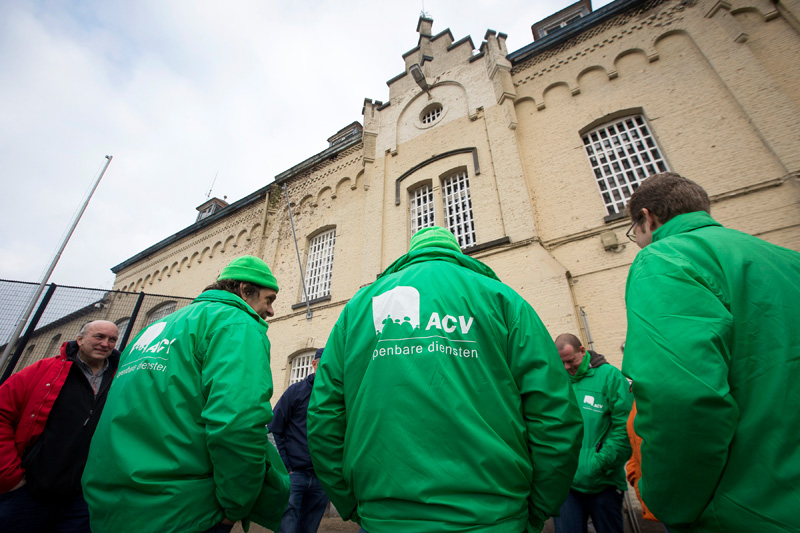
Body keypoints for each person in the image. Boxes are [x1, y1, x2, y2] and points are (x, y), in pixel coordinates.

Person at [307, 226, 583, 533]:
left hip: (384, 516)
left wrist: (352, 503)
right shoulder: (504, 301)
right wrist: (536, 508)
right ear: (456, 252)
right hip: (493, 516)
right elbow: (555, 413)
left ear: (411, 254)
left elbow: (323, 418)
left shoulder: (356, 310)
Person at [623, 172, 800, 532]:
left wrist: (664, 501)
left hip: (742, 509)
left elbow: (682, 397)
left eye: (634, 231)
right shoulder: (789, 260)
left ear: (648, 218)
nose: (637, 241)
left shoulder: (664, 257)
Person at [82, 255, 288, 533]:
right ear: (244, 290)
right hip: (180, 508)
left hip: (111, 504)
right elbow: (237, 422)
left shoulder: (154, 330)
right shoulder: (237, 323)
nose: (271, 310)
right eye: (269, 299)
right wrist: (237, 504)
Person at [0, 320, 120, 533]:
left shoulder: (120, 379)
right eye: (99, 337)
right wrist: (11, 476)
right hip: (30, 491)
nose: (105, 344)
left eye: (112, 339)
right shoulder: (43, 371)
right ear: (80, 339)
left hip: (83, 498)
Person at [553, 333, 632, 533]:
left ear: (582, 351)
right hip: (565, 485)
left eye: (570, 361)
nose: (566, 368)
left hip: (602, 483)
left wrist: (598, 463)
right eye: (561, 362)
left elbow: (626, 428)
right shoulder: (557, 382)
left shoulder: (610, 377)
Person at [269, 347, 330, 533]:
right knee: (287, 528)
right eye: (324, 365)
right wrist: (287, 467)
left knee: (309, 529)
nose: (328, 369)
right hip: (295, 475)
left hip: (321, 479)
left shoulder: (334, 396)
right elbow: (274, 428)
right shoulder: (296, 392)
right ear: (314, 364)